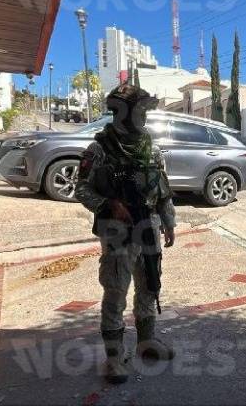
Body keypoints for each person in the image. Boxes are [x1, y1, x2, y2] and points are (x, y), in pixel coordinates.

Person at [75, 83, 176, 384]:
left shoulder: (151, 147)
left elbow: (163, 189)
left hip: (149, 227)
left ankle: (147, 342)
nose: (145, 115)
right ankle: (114, 358)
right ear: (123, 112)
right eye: (141, 109)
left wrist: (169, 221)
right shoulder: (99, 149)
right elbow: (81, 188)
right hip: (117, 230)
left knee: (149, 286)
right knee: (116, 290)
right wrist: (108, 204)